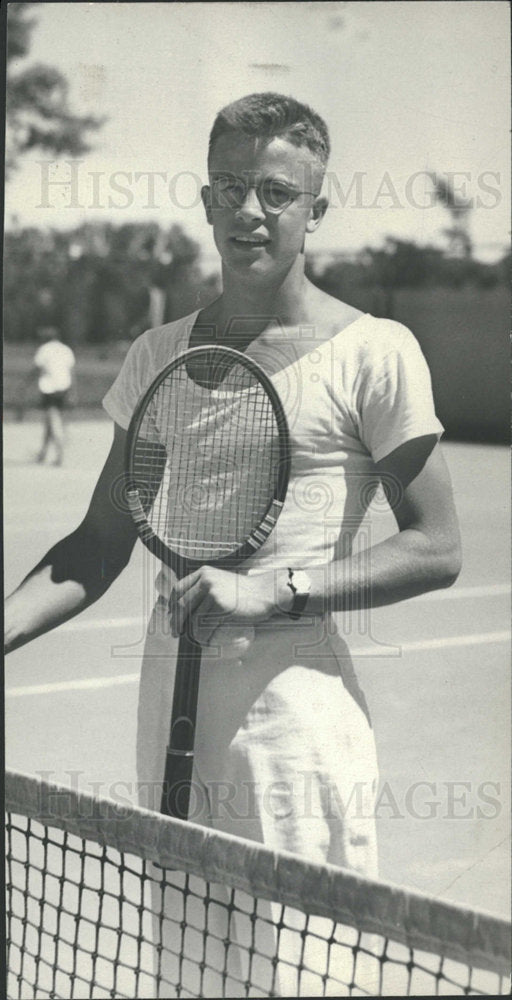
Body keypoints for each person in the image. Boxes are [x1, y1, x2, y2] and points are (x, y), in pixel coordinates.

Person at [5, 93, 461, 995]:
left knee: (302, 979)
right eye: (230, 188)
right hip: (171, 728)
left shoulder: (375, 351)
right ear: (206, 200)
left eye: (276, 192)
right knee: (190, 980)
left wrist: (275, 590)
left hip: (297, 739)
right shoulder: (159, 353)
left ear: (316, 208)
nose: (250, 212)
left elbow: (437, 547)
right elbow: (98, 544)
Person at [31, 326, 76, 465]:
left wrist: (26, 385)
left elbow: (36, 368)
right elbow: (72, 371)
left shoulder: (44, 349)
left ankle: (59, 453)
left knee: (52, 419)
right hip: (64, 387)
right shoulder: (66, 349)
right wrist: (74, 392)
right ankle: (42, 453)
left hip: (49, 388)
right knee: (51, 420)